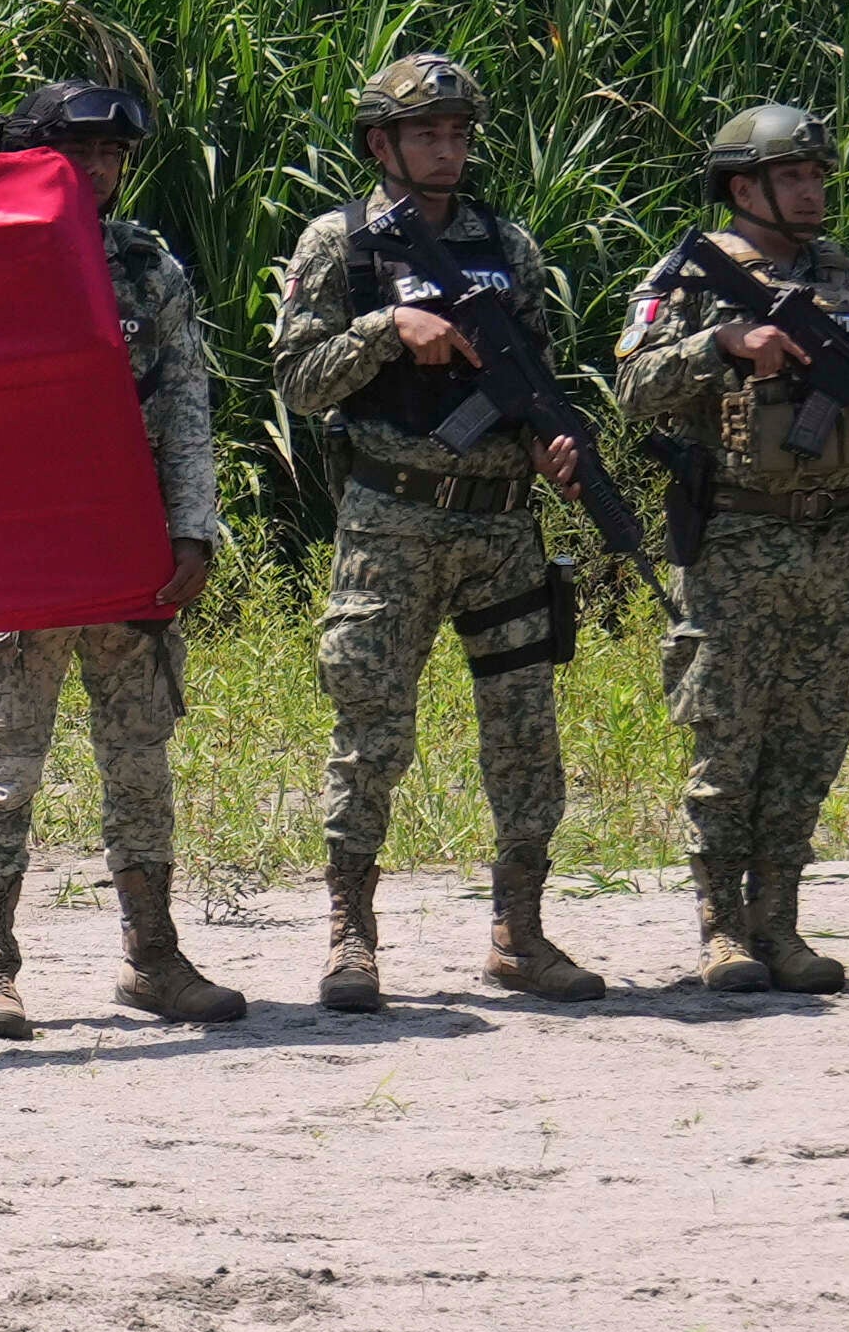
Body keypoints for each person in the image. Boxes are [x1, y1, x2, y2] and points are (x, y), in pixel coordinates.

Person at [262, 49, 616, 1008]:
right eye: (426, 134)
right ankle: (351, 936)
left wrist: (553, 445)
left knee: (526, 735)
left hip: (502, 529)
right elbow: (297, 380)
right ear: (381, 144)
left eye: (458, 134)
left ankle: (520, 934)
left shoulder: (509, 244)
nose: (447, 150)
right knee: (371, 731)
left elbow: (534, 378)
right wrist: (388, 330)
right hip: (394, 522)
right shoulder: (339, 245)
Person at [615, 96, 849, 990]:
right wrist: (723, 345)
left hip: (837, 545)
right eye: (793, 176)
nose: (813, 190)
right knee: (727, 743)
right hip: (736, 543)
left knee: (810, 744)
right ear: (743, 188)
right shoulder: (693, 278)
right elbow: (632, 387)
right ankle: (722, 930)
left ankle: (780, 925)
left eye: (818, 175)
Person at [0, 77, 256, 1035]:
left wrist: (193, 527)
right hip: (20, 551)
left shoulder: (145, 267)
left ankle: (153, 958)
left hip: (129, 550)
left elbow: (188, 404)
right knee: (7, 766)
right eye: (76, 152)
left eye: (112, 155)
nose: (96, 170)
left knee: (140, 764)